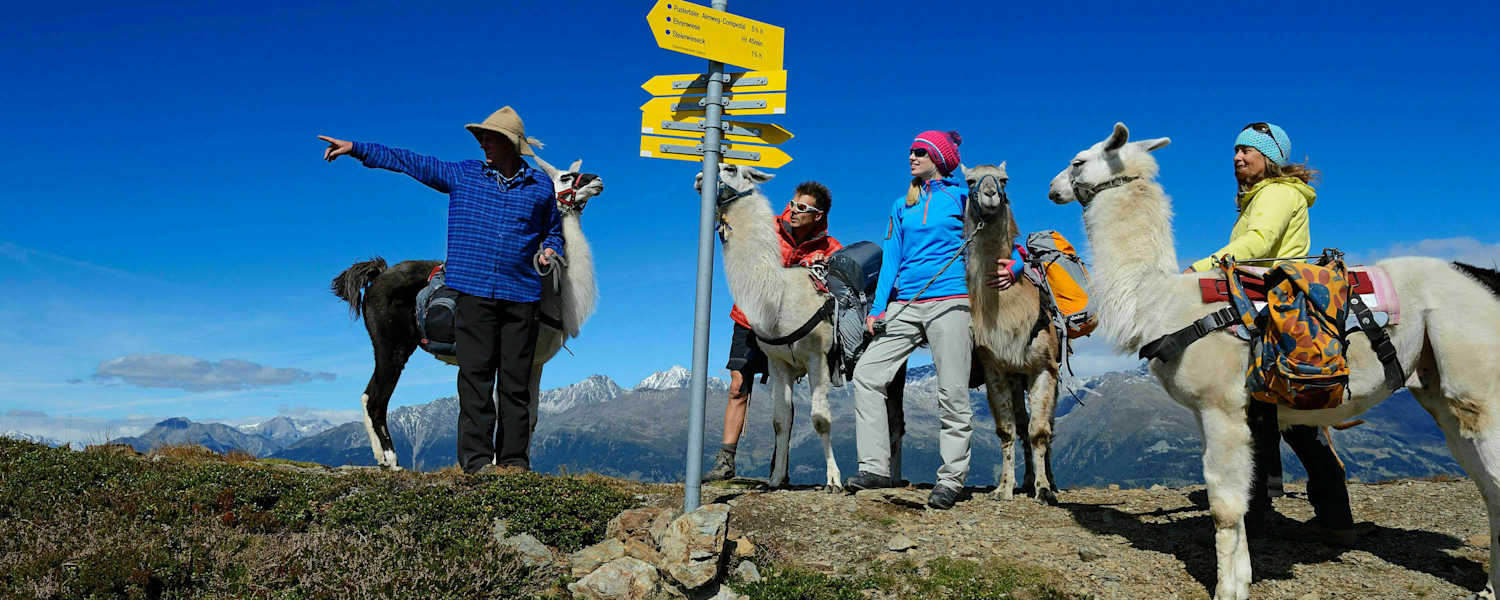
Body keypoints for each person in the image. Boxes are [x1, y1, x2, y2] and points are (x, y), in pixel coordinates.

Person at [319, 106, 563, 475]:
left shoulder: (540, 187)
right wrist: (356, 148)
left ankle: (514, 467)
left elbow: (553, 230)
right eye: (481, 137)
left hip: (522, 297)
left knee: (515, 388)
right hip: (473, 294)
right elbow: (410, 161)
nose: (483, 144)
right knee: (475, 383)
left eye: (491, 138)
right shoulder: (463, 175)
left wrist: (550, 251)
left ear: (512, 144)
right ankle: (478, 466)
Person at [1187, 121, 1359, 544]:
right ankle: (1334, 520)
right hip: (1282, 303)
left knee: (1260, 409)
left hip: (1276, 305)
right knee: (1298, 421)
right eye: (1236, 151)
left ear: (1270, 159)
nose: (1237, 157)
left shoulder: (1276, 194)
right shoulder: (1263, 196)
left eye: (1248, 150)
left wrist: (1200, 268)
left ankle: (1259, 519)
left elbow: (1260, 243)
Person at [845, 130, 978, 510]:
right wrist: (877, 309)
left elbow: (998, 236)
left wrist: (1015, 262)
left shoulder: (961, 196)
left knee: (952, 391)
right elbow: (891, 258)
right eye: (910, 151)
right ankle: (875, 468)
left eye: (920, 151)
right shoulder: (900, 204)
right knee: (867, 374)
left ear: (939, 156)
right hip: (906, 303)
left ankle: (952, 478)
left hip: (951, 300)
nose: (912, 156)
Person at [704, 182, 843, 481]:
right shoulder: (768, 228)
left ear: (818, 215)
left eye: (802, 208)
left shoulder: (829, 248)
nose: (793, 211)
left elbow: (839, 281)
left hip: (797, 332)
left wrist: (826, 266)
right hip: (749, 318)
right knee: (738, 385)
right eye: (793, 204)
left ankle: (779, 465)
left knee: (784, 394)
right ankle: (726, 460)